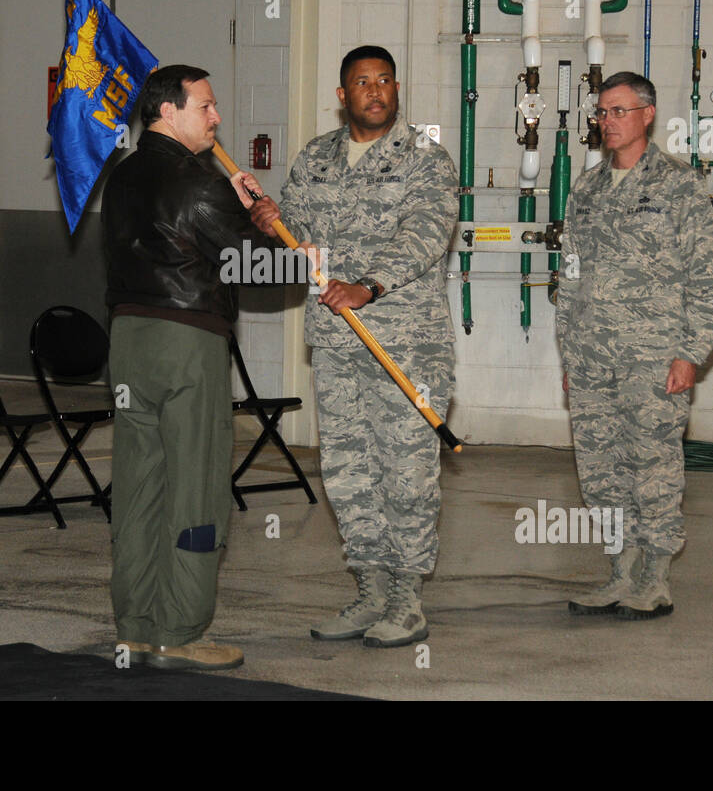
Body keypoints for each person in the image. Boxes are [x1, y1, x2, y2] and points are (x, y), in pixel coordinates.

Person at [251, 46, 458, 648]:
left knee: (407, 471)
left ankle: (408, 599)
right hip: (337, 344)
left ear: (397, 88)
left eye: (384, 80)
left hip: (406, 344)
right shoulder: (315, 157)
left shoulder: (426, 159)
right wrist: (272, 221)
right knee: (347, 471)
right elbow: (301, 237)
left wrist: (368, 286)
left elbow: (426, 233)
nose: (375, 91)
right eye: (362, 83)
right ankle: (370, 592)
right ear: (343, 96)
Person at [102, 64, 274, 671]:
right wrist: (272, 229)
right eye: (206, 105)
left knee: (140, 486)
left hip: (127, 345)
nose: (217, 117)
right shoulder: (199, 184)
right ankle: (180, 630)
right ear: (168, 111)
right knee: (195, 486)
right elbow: (259, 271)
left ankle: (136, 626)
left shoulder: (119, 179)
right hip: (186, 344)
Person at [556, 71, 713, 620]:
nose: (607, 122)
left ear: (648, 115)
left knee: (652, 466)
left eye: (618, 111)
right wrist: (569, 354)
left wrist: (690, 353)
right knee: (601, 467)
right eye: (601, 113)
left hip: (653, 359)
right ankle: (619, 572)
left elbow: (709, 282)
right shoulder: (584, 189)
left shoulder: (680, 186)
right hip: (591, 358)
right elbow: (571, 275)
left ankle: (655, 579)